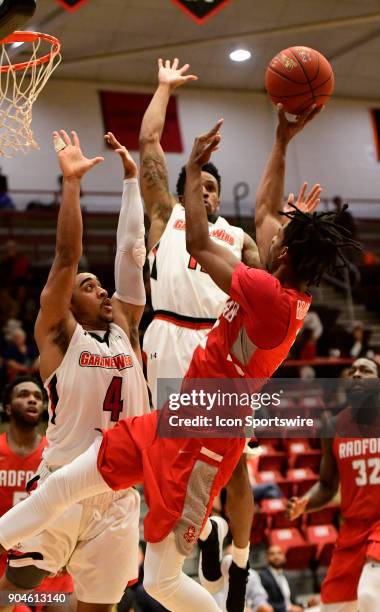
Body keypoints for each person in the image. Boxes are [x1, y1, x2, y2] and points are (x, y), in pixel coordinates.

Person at [0, 114, 358, 612]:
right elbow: (266, 209)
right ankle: (214, 541)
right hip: (182, 412)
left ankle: (234, 556)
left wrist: (191, 167)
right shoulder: (286, 288)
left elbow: (200, 239)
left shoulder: (266, 292)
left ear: (285, 254)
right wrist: (280, 138)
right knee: (64, 494)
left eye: (281, 236)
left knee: (161, 581)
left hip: (204, 432)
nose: (271, 231)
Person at [0, 130, 149, 612]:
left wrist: (130, 182)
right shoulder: (60, 336)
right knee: (17, 582)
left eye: (102, 285)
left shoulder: (127, 328)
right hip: (64, 481)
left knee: (98, 608)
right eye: (90, 285)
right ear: (70, 299)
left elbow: (131, 254)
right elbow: (67, 256)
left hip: (120, 494)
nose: (103, 291)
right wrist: (71, 184)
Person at [139, 57, 260, 605]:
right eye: (198, 185)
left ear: (219, 198)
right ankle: (201, 531)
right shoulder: (166, 217)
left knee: (231, 467)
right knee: (166, 459)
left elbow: (269, 303)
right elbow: (147, 149)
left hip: (218, 350)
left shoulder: (240, 239)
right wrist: (163, 90)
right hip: (166, 336)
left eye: (212, 188)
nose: (206, 193)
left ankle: (238, 561)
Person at [287, 357, 380, 612]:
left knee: (369, 595)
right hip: (353, 529)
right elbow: (327, 485)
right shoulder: (333, 426)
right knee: (334, 608)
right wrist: (305, 502)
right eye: (351, 371)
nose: (355, 375)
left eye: (365, 371)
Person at [0, 376, 74, 610]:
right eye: (23, 395)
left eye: (38, 397)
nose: (32, 400)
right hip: (5, 572)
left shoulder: (55, 456)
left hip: (51, 571)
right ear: (7, 408)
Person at [258, 545, 306, 612]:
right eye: (272, 554)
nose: (276, 557)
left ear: (284, 557)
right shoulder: (262, 576)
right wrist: (288, 608)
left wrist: (306, 605)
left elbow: (292, 603)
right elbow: (263, 604)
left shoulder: (288, 576)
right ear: (267, 558)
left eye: (279, 553)